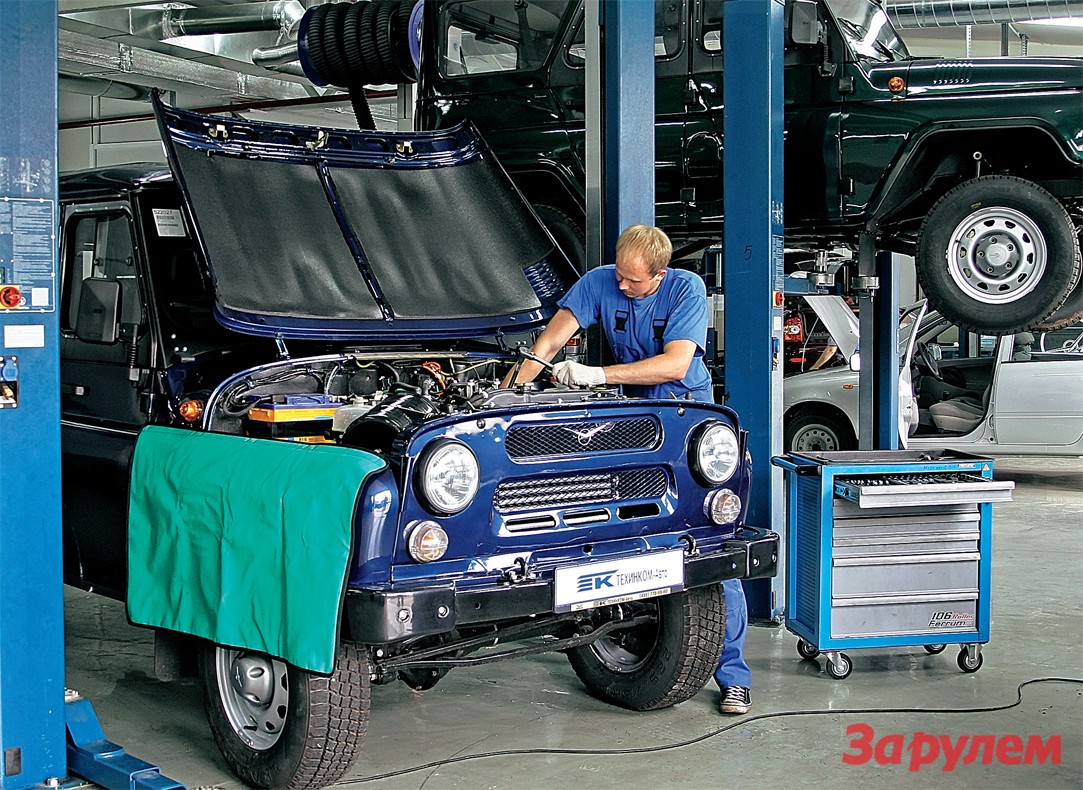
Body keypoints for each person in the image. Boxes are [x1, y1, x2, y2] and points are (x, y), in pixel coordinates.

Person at [504, 223, 753, 715]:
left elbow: (676, 365)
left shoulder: (686, 289)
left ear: (659, 275)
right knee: (621, 525)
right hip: (633, 421)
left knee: (708, 540)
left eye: (632, 280)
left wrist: (597, 374)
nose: (621, 285)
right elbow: (546, 345)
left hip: (684, 419)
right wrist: (505, 395)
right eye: (619, 274)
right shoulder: (601, 281)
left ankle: (733, 676)